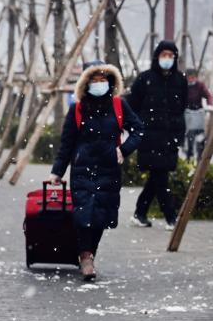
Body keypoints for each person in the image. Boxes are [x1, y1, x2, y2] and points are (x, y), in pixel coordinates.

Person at [48, 64, 144, 281]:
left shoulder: (119, 105)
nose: (99, 84)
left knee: (100, 216)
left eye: (103, 80)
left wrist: (124, 149)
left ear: (110, 82)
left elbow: (139, 129)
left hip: (109, 169)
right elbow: (67, 144)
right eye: (94, 80)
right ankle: (86, 257)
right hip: (82, 169)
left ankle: (90, 254)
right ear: (86, 83)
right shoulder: (77, 109)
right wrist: (57, 172)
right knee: (83, 214)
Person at [127, 40, 187, 230]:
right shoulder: (145, 79)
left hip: (170, 138)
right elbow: (132, 106)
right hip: (149, 138)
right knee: (160, 177)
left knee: (157, 177)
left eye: (171, 55)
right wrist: (138, 130)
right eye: (164, 55)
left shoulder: (180, 80)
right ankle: (171, 218)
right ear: (157, 56)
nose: (167, 59)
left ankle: (140, 213)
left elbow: (181, 109)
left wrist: (178, 135)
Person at [183, 68, 213, 161]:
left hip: (199, 113)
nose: (191, 79)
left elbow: (208, 95)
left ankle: (200, 156)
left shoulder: (200, 85)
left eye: (193, 77)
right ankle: (189, 155)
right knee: (190, 135)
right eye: (189, 77)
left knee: (201, 135)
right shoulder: (183, 86)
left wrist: (209, 105)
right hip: (187, 113)